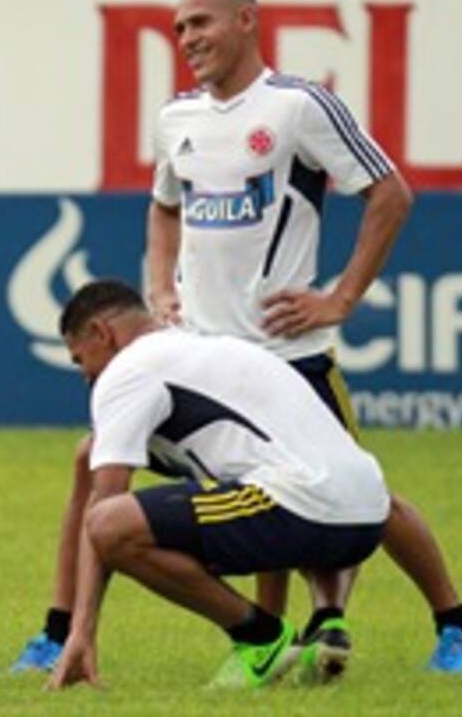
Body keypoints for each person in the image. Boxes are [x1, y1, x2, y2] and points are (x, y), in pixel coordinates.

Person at [15, 0, 462, 678]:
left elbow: (390, 192)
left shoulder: (298, 107)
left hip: (290, 352)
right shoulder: (178, 119)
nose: (188, 39)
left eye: (201, 23)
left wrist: (341, 298)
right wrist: (160, 284)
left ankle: (451, 625)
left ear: (247, 21)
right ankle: (60, 630)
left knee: (363, 496)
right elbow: (163, 206)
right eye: (179, 29)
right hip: (205, 354)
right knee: (93, 460)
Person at [45, 280, 390, 690]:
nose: (87, 377)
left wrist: (81, 631)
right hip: (369, 518)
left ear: (103, 333)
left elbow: (105, 502)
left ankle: (260, 638)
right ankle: (325, 620)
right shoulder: (210, 349)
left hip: (305, 507)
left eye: (80, 360)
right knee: (257, 485)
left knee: (110, 526)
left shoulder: (126, 371)